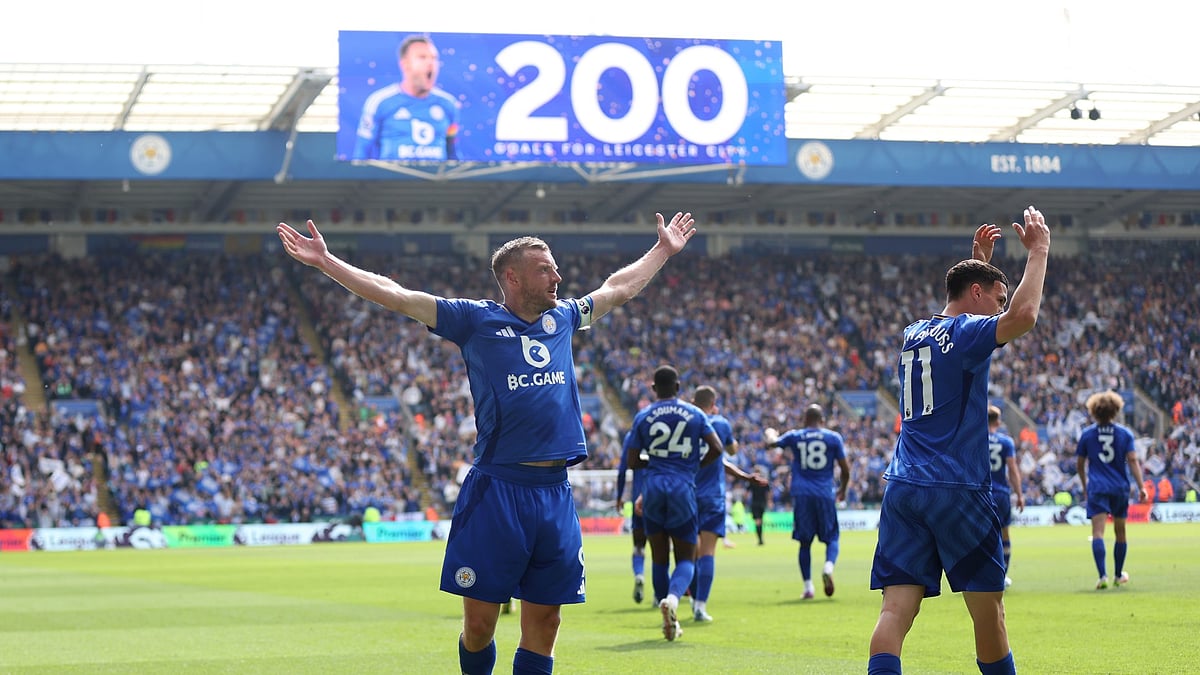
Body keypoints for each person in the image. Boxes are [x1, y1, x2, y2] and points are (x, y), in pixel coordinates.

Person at [277, 211, 699, 674]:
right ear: (513, 277)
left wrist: (662, 251)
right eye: (545, 269)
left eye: (555, 268)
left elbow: (618, 287)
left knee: (547, 620)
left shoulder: (563, 318)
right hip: (497, 489)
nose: (558, 276)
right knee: (480, 625)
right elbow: (398, 295)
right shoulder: (474, 320)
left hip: (555, 493)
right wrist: (328, 262)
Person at [868, 211, 1051, 675]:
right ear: (977, 294)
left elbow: (952, 319)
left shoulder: (913, 334)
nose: (1002, 305)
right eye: (997, 296)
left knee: (895, 613)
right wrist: (1039, 251)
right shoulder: (969, 332)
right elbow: (1024, 317)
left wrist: (978, 266)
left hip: (903, 486)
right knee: (989, 614)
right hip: (957, 488)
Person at [626, 365, 721, 642]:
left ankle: (661, 602)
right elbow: (716, 448)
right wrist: (690, 466)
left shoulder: (643, 415)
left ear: (654, 389)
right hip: (682, 486)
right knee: (686, 557)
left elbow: (632, 461)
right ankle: (673, 601)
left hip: (653, 487)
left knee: (658, 556)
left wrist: (655, 463)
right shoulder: (695, 414)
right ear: (679, 388)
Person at [688, 385, 767, 621]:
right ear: (714, 404)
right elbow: (731, 450)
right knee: (708, 553)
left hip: (687, 494)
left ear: (693, 401)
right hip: (712, 495)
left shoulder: (687, 422)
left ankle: (687, 598)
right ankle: (700, 606)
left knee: (689, 552)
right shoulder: (720, 423)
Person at [764, 403, 850, 600]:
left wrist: (770, 432)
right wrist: (842, 490)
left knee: (804, 543)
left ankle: (808, 587)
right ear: (822, 421)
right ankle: (828, 567)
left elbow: (772, 443)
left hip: (802, 494)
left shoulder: (796, 436)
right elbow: (845, 470)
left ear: (805, 420)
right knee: (832, 537)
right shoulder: (833, 438)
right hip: (825, 493)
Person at [1075, 390, 1148, 590]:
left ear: (1094, 411)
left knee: (1098, 533)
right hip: (1119, 487)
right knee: (1120, 532)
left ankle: (1102, 576)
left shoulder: (1087, 434)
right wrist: (1142, 486)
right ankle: (1118, 575)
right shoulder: (1125, 433)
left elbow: (1080, 463)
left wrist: (1084, 485)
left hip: (1097, 487)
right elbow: (1132, 460)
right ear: (1116, 410)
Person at [352, 34, 460, 161]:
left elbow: (453, 153)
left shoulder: (449, 104)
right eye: (422, 57)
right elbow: (362, 153)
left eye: (434, 58)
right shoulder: (379, 102)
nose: (431, 63)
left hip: (436, 179)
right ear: (405, 64)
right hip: (392, 179)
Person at [987, 405, 1024, 588]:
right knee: (1004, 534)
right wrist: (1019, 494)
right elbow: (1013, 470)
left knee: (979, 535)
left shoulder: (976, 440)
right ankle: (1002, 575)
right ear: (998, 421)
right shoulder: (1006, 441)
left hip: (981, 493)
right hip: (1000, 493)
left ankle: (979, 576)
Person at [615, 429, 648, 604]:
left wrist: (619, 496)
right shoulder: (666, 430)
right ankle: (661, 596)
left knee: (639, 546)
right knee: (662, 547)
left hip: (638, 499)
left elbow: (622, 469)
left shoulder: (632, 435)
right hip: (663, 493)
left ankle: (639, 574)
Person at [748, 463, 770, 545]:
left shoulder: (752, 482)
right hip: (762, 503)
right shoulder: (764, 481)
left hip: (755, 503)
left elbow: (747, 492)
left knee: (757, 521)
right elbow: (769, 492)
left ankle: (760, 539)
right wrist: (769, 501)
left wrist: (745, 501)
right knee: (760, 520)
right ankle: (761, 539)